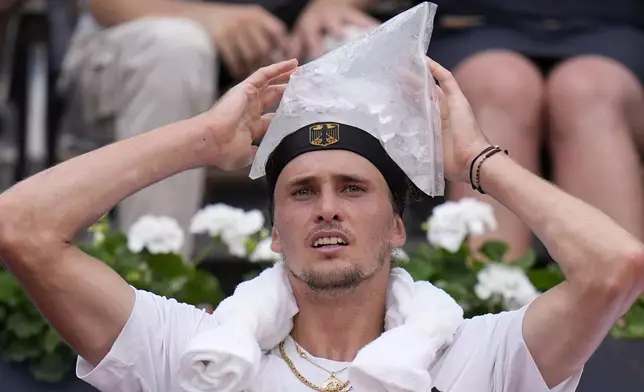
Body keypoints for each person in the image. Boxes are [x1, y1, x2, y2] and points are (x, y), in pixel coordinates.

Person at [2, 47, 644, 392]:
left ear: (398, 226)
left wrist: (476, 162)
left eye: (353, 188)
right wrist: (200, 141)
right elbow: (21, 226)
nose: (328, 205)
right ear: (275, 231)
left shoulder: (481, 356)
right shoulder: (196, 353)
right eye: (302, 191)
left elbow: (616, 266)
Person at [58, 0, 380, 256]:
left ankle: (357, 286)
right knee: (176, 49)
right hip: (145, 36)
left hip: (289, 45)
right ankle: (157, 288)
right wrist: (206, 17)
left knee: (358, 49)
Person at [426, 0, 644, 260]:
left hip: (613, 28)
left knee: (587, 91)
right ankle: (488, 290)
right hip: (475, 23)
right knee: (501, 86)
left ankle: (623, 289)